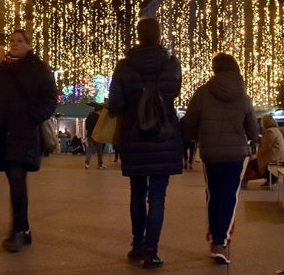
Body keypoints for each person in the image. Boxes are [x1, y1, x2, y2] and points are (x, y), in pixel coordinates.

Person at [108, 17, 183, 268]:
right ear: (159, 36)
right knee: (158, 196)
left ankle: (137, 245)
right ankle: (152, 251)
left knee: (137, 192)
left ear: (138, 36)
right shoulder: (172, 64)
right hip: (163, 136)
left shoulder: (124, 65)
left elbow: (116, 103)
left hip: (135, 135)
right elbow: (173, 93)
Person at [0, 29, 58, 252]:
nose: (14, 44)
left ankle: (20, 231)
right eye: (12, 41)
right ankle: (24, 230)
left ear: (29, 45)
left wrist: (33, 116)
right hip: (3, 133)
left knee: (17, 179)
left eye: (20, 41)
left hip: (24, 133)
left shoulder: (39, 69)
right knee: (15, 182)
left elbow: (51, 100)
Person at [181, 52, 259, 266]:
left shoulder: (203, 93)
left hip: (211, 152)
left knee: (213, 194)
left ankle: (215, 235)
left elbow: (189, 122)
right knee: (228, 197)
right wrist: (252, 137)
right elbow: (253, 128)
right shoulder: (243, 97)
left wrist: (194, 138)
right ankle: (219, 242)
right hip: (236, 154)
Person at [253, 114, 284, 187]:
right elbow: (267, 143)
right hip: (278, 154)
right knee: (256, 160)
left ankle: (272, 178)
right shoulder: (275, 130)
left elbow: (266, 147)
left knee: (252, 162)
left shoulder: (269, 131)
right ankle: (270, 178)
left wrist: (256, 155)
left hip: (274, 156)